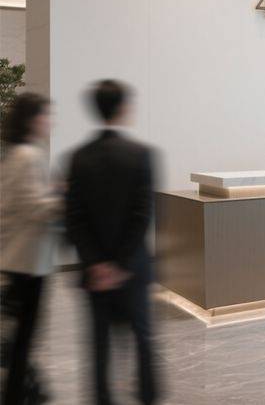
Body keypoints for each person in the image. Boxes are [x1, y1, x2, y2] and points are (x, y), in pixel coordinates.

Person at [66, 80, 158, 405]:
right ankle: (146, 396)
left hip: (95, 276)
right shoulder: (141, 155)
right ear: (122, 108)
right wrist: (120, 264)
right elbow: (142, 216)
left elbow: (74, 218)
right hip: (133, 268)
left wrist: (97, 265)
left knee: (99, 343)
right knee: (142, 339)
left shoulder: (78, 157)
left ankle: (102, 398)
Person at [1, 93, 61, 405]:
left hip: (19, 259)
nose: (50, 122)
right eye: (46, 115)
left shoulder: (16, 153)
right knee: (24, 338)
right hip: (27, 261)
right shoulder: (28, 156)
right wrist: (64, 197)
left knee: (22, 337)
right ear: (32, 119)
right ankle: (17, 394)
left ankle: (25, 390)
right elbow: (35, 208)